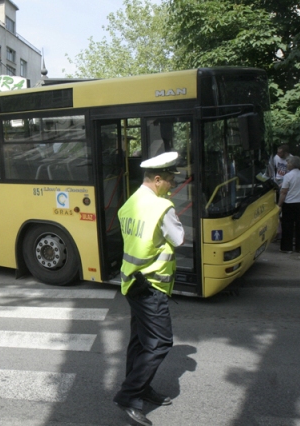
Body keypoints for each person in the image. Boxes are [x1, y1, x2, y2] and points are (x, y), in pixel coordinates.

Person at [113, 151, 185, 426]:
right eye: (169, 181)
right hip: (151, 284)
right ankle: (129, 395)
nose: (172, 186)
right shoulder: (161, 207)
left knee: (139, 341)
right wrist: (168, 206)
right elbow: (178, 239)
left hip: (131, 281)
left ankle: (140, 389)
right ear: (157, 179)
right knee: (160, 343)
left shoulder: (130, 202)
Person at [277, 155, 300, 253]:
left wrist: (279, 205)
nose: (287, 164)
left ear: (292, 164)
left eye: (288, 163)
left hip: (290, 203)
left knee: (288, 226)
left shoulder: (288, 176)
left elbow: (284, 192)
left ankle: (287, 247)